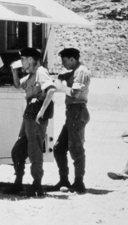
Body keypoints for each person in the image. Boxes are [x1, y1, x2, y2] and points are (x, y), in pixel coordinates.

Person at [5, 47, 56, 197]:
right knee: (18, 151)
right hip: (29, 116)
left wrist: (41, 112)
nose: (21, 63)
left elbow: (51, 90)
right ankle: (18, 183)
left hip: (35, 116)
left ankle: (37, 185)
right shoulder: (31, 75)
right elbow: (18, 85)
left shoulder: (40, 72)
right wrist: (14, 71)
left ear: (30, 60)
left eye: (23, 60)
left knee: (34, 151)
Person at [48, 47, 91, 193]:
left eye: (65, 61)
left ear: (73, 59)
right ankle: (64, 180)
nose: (63, 64)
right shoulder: (75, 72)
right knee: (59, 148)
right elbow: (65, 77)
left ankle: (79, 182)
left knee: (76, 148)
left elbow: (76, 93)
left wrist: (60, 87)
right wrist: (61, 77)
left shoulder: (81, 72)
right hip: (72, 112)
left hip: (77, 110)